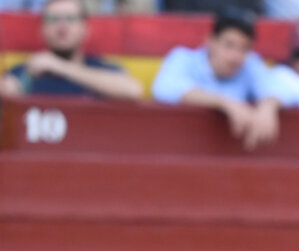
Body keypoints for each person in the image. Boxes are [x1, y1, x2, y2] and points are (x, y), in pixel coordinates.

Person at [151, 7, 282, 151]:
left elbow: (279, 86)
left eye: (244, 48)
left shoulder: (251, 63)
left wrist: (268, 107)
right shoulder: (183, 58)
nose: (235, 56)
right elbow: (164, 87)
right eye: (229, 45)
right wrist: (226, 103)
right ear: (211, 41)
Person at [0, 0, 144, 101]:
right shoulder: (25, 71)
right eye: (54, 19)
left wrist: (57, 65)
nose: (62, 26)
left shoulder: (101, 68)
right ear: (42, 29)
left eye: (70, 19)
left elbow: (133, 91)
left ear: (85, 29)